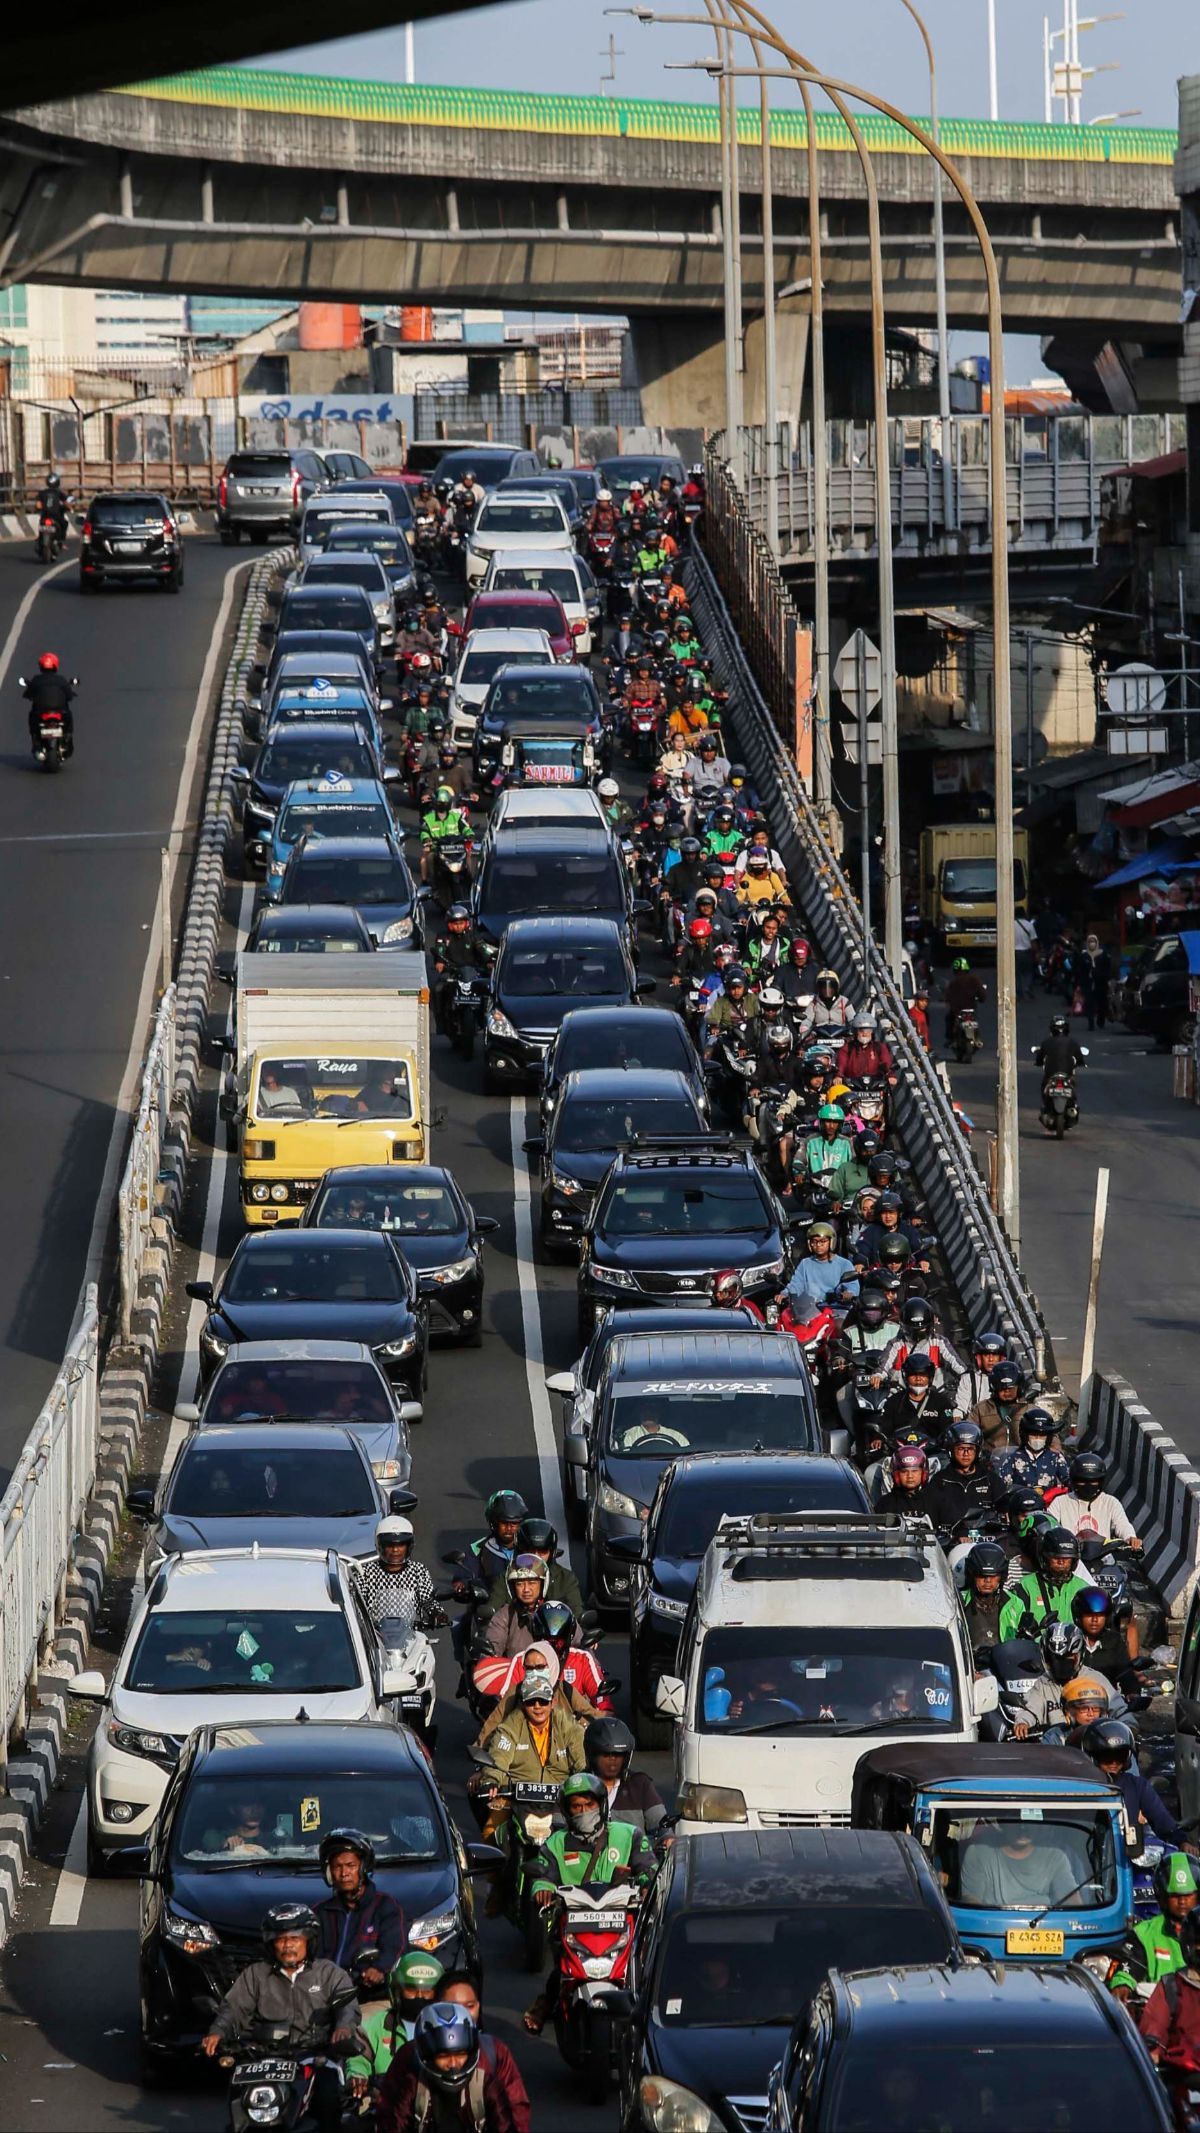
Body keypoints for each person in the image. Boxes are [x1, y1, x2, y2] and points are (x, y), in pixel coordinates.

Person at [200, 1903, 361, 2128]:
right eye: (280, 1939)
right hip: (262, 2059)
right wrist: (217, 2032)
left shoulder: (330, 1974)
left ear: (309, 1940)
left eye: (294, 1938)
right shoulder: (256, 1974)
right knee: (240, 2103)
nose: (287, 1945)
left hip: (314, 2058)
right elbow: (234, 2008)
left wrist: (343, 2028)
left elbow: (347, 2005)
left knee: (328, 2098)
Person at [523, 1773, 658, 2033]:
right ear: (567, 1810)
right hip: (574, 1924)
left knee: (647, 1969)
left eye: (589, 1805)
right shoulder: (556, 1842)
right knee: (562, 1966)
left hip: (621, 1922)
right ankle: (548, 2001)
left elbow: (648, 1866)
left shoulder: (628, 1835)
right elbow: (542, 1872)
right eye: (576, 1807)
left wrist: (644, 1883)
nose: (584, 1812)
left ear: (601, 1806)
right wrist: (542, 1889)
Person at [375, 2002, 529, 2133]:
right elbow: (394, 2125)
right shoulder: (415, 2085)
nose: (454, 2064)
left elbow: (505, 2127)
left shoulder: (486, 2087)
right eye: (443, 2056)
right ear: (427, 2055)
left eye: (460, 2054)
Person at [437, 1973, 532, 2132]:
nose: (464, 2014)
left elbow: (517, 2109)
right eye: (455, 2007)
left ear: (479, 2007)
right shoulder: (413, 2054)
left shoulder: (495, 2051)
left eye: (470, 2006)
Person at [316, 1829, 404, 1994]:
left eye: (351, 1866)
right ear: (329, 1872)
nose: (344, 1873)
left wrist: (378, 1970)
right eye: (337, 1867)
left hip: (367, 1996)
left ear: (364, 1867)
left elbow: (393, 1949)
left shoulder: (385, 1906)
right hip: (324, 1995)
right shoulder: (321, 1912)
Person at [1110, 1854, 1200, 2005]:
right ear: (1162, 1895)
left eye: (1188, 1895)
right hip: (1159, 2012)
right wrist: (1123, 1984)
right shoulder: (1144, 1933)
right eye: (1175, 1895)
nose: (1182, 1901)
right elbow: (1129, 1966)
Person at [1082, 1718, 1188, 1845]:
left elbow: (1163, 1821)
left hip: (1128, 1855)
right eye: (1107, 1757)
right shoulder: (1079, 1787)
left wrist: (1182, 1842)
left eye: (1120, 1756)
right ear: (1092, 1756)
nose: (1114, 1763)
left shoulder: (1137, 1785)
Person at [346, 1952, 446, 2083]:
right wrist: (358, 2077)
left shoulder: (448, 2025)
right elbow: (358, 2060)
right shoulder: (375, 2025)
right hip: (385, 2097)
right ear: (396, 1992)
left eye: (427, 1991)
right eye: (411, 1990)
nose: (419, 1996)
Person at [351, 1516, 446, 1636]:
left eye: (401, 1545)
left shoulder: (418, 1570)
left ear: (409, 1546)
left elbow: (427, 1598)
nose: (395, 1550)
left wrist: (437, 1613)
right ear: (380, 1546)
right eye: (390, 1545)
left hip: (412, 1637)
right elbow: (356, 1603)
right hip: (375, 1639)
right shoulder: (365, 1572)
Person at [583, 1715, 670, 1842]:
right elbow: (558, 1831)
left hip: (633, 1859)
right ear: (592, 1754)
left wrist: (668, 1839)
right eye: (606, 1754)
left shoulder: (641, 1785)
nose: (612, 1760)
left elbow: (662, 1825)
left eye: (618, 1754)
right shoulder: (575, 1786)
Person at [998, 1524, 1091, 1640]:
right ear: (1045, 1557)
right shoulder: (1025, 1586)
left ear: (1074, 1560)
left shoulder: (1084, 1589)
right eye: (1056, 1557)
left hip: (1074, 1651)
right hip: (1037, 1651)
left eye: (1066, 1558)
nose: (1061, 1562)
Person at [958, 1823, 1079, 1911]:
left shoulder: (1055, 1857)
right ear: (1002, 1822)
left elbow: (1073, 1904)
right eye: (1017, 1820)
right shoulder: (978, 1853)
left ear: (1038, 1824)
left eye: (1029, 1820)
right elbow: (972, 1904)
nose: (1023, 1827)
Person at [925, 1419, 1005, 1530]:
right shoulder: (939, 1481)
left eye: (971, 1449)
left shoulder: (990, 1479)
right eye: (961, 1448)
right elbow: (931, 1519)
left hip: (986, 1540)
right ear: (951, 1450)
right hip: (951, 1541)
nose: (966, 1454)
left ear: (978, 1451)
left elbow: (1003, 1513)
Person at [1053, 1451, 1140, 1545]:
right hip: (1070, 1556)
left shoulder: (1110, 1502)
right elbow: (1050, 1524)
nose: (1088, 1486)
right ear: (1074, 1480)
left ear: (1101, 1481)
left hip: (1104, 1557)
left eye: (1093, 1481)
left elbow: (1122, 1524)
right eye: (1082, 1481)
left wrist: (1130, 1537)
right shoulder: (1060, 1502)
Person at [994, 1405, 1071, 1498]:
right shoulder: (1014, 1458)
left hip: (1049, 1507)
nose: (1038, 1439)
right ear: (1025, 1435)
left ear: (1048, 1437)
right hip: (1022, 1507)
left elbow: (1068, 1481)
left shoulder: (1056, 1457)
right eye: (1034, 1435)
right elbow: (1002, 1486)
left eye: (1042, 1435)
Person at [785, 1222, 859, 1314]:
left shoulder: (844, 1264)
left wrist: (849, 1293)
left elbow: (853, 1285)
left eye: (823, 1241)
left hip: (836, 1308)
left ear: (831, 1242)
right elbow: (796, 1284)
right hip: (811, 1310)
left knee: (839, 1326)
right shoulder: (805, 1263)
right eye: (814, 1241)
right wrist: (784, 1294)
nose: (818, 1245)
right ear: (810, 1243)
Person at [972, 1359, 1033, 1454]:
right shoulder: (980, 1409)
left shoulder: (1030, 1410)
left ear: (1019, 1388)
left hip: (1024, 1461)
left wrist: (1055, 1449)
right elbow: (969, 1433)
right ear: (994, 1388)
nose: (1007, 1392)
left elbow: (1049, 1435)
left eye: (1011, 1388)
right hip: (991, 1463)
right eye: (1002, 1388)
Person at [23, 652, 76, 754]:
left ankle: (36, 740)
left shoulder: (36, 680)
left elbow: (27, 694)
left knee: (32, 718)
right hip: (60, 712)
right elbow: (69, 696)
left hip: (40, 713)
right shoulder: (61, 680)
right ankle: (68, 737)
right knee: (69, 716)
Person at [960, 1540, 1008, 1652]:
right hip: (971, 1665)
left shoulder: (1015, 1603)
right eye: (982, 1575)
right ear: (971, 1574)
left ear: (1002, 1576)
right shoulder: (958, 1601)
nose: (987, 1581)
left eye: (993, 1576)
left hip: (1006, 1664)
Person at [420, 787, 472, 884]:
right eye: (440, 803)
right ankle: (430, 883)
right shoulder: (428, 819)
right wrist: (426, 839)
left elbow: (465, 827)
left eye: (444, 803)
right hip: (437, 850)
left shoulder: (456, 816)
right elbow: (424, 832)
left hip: (456, 849)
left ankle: (470, 879)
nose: (442, 806)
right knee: (429, 856)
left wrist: (470, 834)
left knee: (467, 853)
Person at [1032, 1013, 1087, 1100]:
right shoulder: (1072, 1042)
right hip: (1067, 1073)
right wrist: (1082, 1063)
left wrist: (1038, 1062)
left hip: (1051, 1073)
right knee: (1073, 1084)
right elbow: (1079, 1056)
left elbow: (1039, 1058)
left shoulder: (1046, 1042)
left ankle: (1047, 1106)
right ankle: (1073, 1105)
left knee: (1044, 1085)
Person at [876, 1441, 937, 1518]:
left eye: (915, 1471)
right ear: (896, 1475)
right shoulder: (885, 1503)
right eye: (904, 1472)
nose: (910, 1476)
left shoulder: (934, 1501)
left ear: (923, 1473)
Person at [943, 958, 986, 1051]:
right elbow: (982, 995)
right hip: (971, 1010)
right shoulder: (975, 980)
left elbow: (947, 997)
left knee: (949, 1019)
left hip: (957, 1011)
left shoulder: (953, 983)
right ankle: (977, 1038)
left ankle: (950, 1039)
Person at [1078, 933, 1112, 1031]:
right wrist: (1081, 983)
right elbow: (1080, 970)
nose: (1091, 944)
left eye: (1093, 942)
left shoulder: (1103, 955)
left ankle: (1101, 1019)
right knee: (1089, 1003)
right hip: (1088, 983)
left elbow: (1107, 968)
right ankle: (1091, 1022)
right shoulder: (1084, 956)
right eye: (1090, 942)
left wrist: (1107, 979)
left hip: (1101, 982)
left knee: (1102, 1002)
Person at [1013, 911, 1038, 1001]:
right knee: (1028, 972)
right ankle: (1027, 988)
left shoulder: (1011, 925)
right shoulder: (1029, 925)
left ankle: (1019, 993)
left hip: (1014, 952)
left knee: (1017, 973)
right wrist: (1036, 952)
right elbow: (1033, 940)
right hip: (1027, 952)